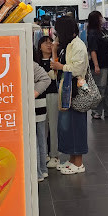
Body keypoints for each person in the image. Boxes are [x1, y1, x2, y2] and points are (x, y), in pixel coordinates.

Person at [50, 15, 89, 175]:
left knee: (76, 125)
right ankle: (73, 159)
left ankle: (78, 162)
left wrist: (61, 67)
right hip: (67, 90)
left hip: (75, 91)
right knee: (68, 126)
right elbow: (56, 66)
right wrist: (54, 51)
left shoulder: (78, 45)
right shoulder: (68, 45)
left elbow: (77, 69)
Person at [87, 11, 108, 119]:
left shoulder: (104, 31)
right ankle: (96, 111)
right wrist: (96, 65)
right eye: (100, 17)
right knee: (100, 88)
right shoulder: (92, 33)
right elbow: (93, 50)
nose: (102, 18)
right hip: (100, 65)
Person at [34, 35, 60, 169]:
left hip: (53, 94)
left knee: (54, 125)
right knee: (42, 127)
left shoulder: (55, 60)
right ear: (39, 46)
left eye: (51, 43)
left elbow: (55, 75)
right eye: (45, 43)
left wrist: (54, 53)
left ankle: (54, 155)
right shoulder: (36, 62)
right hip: (39, 97)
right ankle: (43, 154)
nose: (49, 45)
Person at [33, 59, 51, 182]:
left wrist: (32, 94)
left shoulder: (29, 64)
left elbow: (46, 79)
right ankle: (42, 170)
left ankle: (39, 172)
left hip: (36, 106)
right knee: (40, 139)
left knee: (37, 140)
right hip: (39, 105)